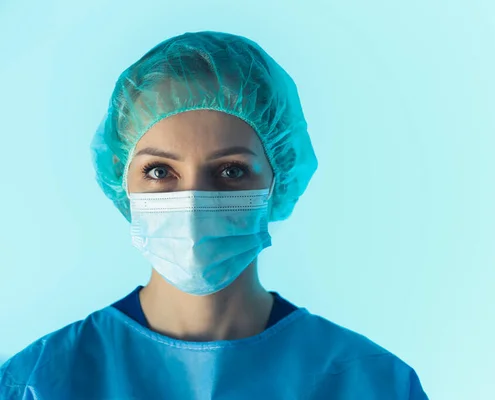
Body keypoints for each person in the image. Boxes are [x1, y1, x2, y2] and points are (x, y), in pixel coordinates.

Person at [0, 31, 428, 399]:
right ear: (121, 180)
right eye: (160, 171)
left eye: (230, 171)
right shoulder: (38, 384)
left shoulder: (371, 384)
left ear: (279, 179)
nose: (192, 202)